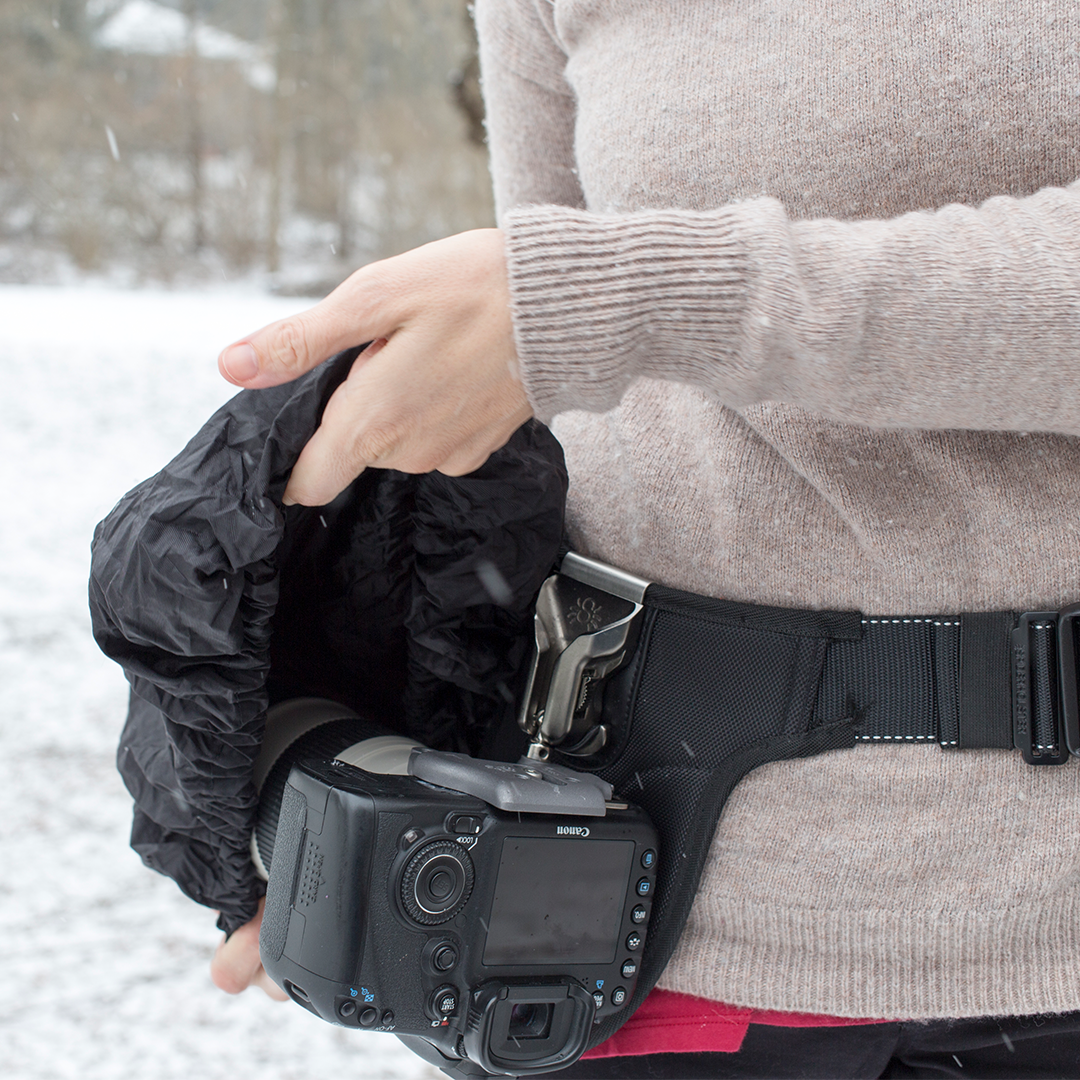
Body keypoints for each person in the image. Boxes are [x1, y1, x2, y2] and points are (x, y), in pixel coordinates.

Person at [210, 2, 1080, 1075]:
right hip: (624, 934)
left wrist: (643, 300)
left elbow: (579, 301)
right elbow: (552, 401)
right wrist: (347, 793)